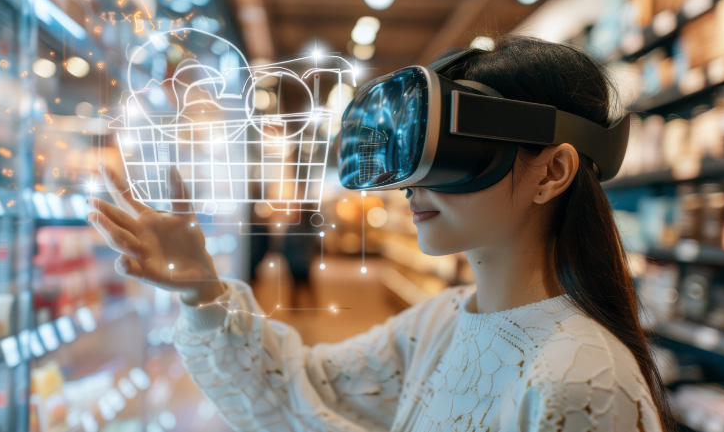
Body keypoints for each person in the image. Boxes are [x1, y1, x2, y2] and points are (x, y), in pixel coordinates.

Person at [86, 37, 670, 431]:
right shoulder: (438, 322)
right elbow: (299, 389)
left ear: (554, 171)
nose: (411, 187)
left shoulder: (582, 382)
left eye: (449, 156)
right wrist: (202, 288)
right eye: (407, 160)